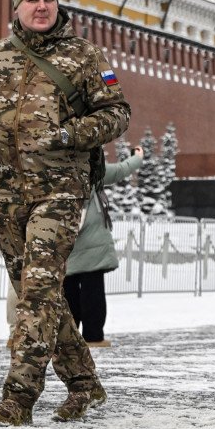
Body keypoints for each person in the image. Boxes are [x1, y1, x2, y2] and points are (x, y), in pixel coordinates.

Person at [0, 0, 131, 426]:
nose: (41, 7)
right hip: (7, 194)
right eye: (31, 0)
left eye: (47, 0)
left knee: (37, 290)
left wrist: (71, 134)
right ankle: (84, 385)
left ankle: (19, 398)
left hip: (62, 191)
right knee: (41, 293)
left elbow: (117, 113)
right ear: (16, 7)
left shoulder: (86, 57)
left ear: (57, 6)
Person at [63, 145, 144, 347]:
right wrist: (138, 157)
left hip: (67, 242)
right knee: (93, 292)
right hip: (94, 243)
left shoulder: (58, 174)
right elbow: (121, 170)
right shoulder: (93, 172)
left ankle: (68, 337)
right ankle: (93, 336)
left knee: (68, 291)